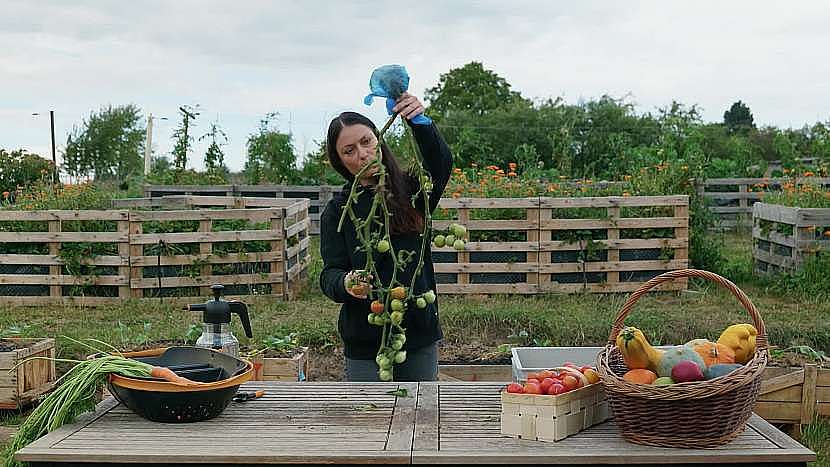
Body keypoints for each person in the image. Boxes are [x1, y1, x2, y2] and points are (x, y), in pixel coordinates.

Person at [319, 92, 453, 382]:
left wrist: (420, 122)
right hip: (366, 340)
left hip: (418, 331)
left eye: (366, 142)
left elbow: (440, 164)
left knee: (421, 416)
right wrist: (345, 283)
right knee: (369, 419)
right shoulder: (339, 211)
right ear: (341, 161)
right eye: (349, 150)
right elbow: (329, 273)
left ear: (379, 140)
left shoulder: (413, 192)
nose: (362, 154)